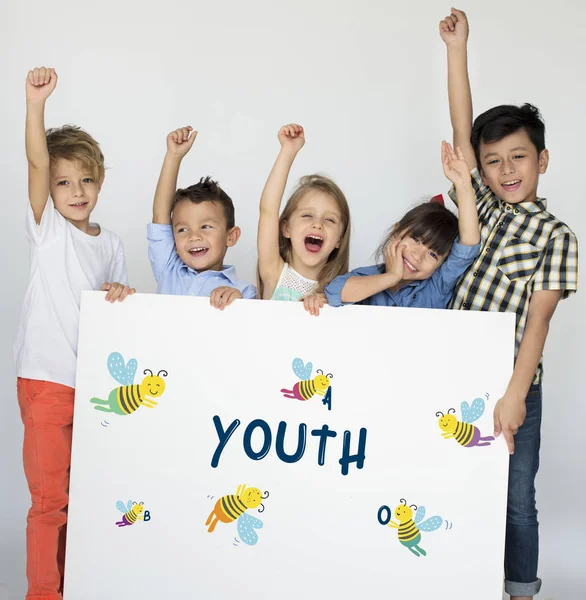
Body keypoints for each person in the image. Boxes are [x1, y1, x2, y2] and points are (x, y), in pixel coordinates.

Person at [439, 9, 579, 598]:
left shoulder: (557, 236)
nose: (505, 170)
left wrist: (515, 396)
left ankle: (520, 589)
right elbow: (461, 124)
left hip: (515, 386)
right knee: (450, 481)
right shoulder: (486, 207)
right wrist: (457, 48)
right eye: (493, 162)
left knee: (516, 499)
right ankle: (447, 575)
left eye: (518, 157)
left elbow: (539, 322)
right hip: (453, 374)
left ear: (541, 161)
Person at [15, 66, 133, 600]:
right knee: (49, 503)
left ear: (101, 181)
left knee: (82, 499)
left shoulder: (110, 244)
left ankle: (73, 585)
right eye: (64, 182)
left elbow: (118, 314)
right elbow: (37, 160)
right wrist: (35, 104)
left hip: (91, 391)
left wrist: (120, 296)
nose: (76, 190)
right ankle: (44, 593)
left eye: (86, 179)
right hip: (45, 381)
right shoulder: (47, 229)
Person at [325, 142, 480, 308]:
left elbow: (468, 247)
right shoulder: (365, 277)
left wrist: (463, 185)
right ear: (396, 231)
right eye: (416, 240)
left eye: (433, 254)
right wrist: (392, 276)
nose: (418, 255)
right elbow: (335, 291)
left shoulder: (436, 288)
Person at [148, 126, 256, 308]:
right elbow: (160, 215)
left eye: (205, 226)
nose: (194, 236)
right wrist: (173, 157)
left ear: (231, 236)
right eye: (182, 229)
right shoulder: (169, 270)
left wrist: (238, 304)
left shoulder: (244, 291)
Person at [257, 124, 351, 315]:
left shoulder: (339, 291)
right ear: (286, 228)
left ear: (339, 240)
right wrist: (288, 152)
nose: (317, 224)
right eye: (307, 215)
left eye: (330, 220)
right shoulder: (274, 273)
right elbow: (268, 210)